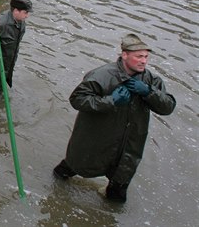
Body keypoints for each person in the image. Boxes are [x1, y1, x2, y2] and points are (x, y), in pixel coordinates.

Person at [53, 34, 176, 203]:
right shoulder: (101, 75)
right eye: (139, 56)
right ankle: (54, 191)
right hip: (97, 140)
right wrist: (111, 101)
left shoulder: (152, 80)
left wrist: (149, 92)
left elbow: (168, 107)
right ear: (124, 55)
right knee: (71, 167)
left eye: (146, 57)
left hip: (129, 147)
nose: (144, 61)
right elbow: (77, 99)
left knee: (117, 195)